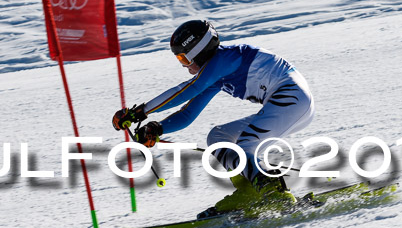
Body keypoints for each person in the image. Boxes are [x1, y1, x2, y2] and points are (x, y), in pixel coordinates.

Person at [112, 19, 315, 212]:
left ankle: (275, 193)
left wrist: (141, 112)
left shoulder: (224, 58)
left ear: (199, 51)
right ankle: (249, 190)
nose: (183, 65)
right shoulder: (216, 74)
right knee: (218, 137)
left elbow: (187, 90)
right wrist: (157, 129)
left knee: (246, 145)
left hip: (292, 99)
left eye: (183, 58)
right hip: (284, 104)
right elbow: (188, 113)